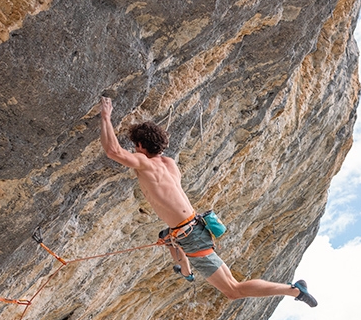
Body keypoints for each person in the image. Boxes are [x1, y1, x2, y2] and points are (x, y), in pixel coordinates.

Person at [98, 97, 317, 306]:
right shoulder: (170, 164)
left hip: (190, 234)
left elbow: (113, 150)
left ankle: (294, 290)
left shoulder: (144, 163)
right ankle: (184, 269)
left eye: (136, 146)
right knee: (168, 236)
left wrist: (106, 117)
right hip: (193, 227)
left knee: (233, 290)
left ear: (140, 145)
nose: (135, 150)